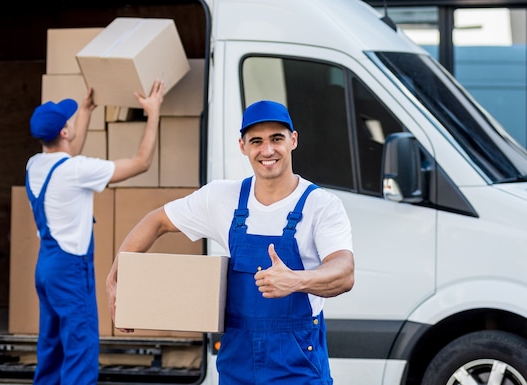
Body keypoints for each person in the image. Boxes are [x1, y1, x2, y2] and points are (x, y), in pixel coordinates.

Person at [106, 99, 355, 384]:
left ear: (293, 140)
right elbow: (156, 221)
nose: (267, 150)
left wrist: (297, 280)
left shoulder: (321, 205)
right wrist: (116, 276)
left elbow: (344, 271)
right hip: (237, 363)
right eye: (256, 141)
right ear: (243, 146)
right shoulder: (221, 198)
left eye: (277, 139)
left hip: (295, 363)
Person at [25, 80, 164, 385]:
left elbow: (67, 154)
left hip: (46, 268)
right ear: (63, 132)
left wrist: (86, 111)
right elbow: (142, 163)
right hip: (71, 271)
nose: (73, 121)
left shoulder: (35, 165)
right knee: (80, 350)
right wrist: (153, 112)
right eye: (69, 119)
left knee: (51, 349)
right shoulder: (76, 171)